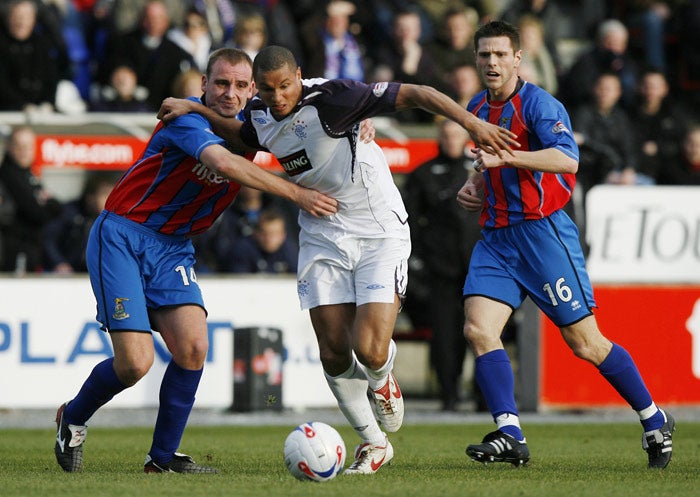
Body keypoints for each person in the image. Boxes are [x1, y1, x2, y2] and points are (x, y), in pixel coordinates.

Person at [159, 44, 518, 474]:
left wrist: (473, 123)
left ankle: (382, 381)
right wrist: (191, 108)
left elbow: (420, 93)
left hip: (376, 227)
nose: (279, 98)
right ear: (259, 87)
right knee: (331, 348)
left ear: (300, 75)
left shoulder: (336, 97)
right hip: (321, 229)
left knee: (369, 349)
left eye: (286, 86)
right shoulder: (258, 111)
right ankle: (374, 443)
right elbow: (242, 134)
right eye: (269, 90)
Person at [53, 47, 338, 474]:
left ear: (253, 90)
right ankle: (71, 418)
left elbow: (319, 107)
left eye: (242, 85)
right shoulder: (186, 121)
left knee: (193, 347)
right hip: (124, 235)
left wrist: (359, 122)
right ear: (203, 85)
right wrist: (299, 194)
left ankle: (162, 459)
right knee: (135, 363)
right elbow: (222, 161)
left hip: (173, 246)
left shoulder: (257, 125)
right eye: (221, 83)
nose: (230, 93)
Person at [457, 20, 674, 470]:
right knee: (479, 329)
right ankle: (510, 433)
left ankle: (654, 419)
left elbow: (567, 158)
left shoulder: (539, 103)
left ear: (518, 58)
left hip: (542, 234)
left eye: (500, 54)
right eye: (484, 55)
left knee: (586, 343)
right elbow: (484, 162)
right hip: (497, 237)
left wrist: (508, 156)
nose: (492, 62)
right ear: (476, 59)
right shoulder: (476, 105)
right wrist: (474, 182)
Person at [401, 119, 481, 412]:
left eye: (456, 135)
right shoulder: (423, 174)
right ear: (439, 137)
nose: (451, 140)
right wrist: (418, 263)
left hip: (477, 268)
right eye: (446, 135)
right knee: (446, 337)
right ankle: (450, 396)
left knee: (483, 332)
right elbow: (408, 221)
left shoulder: (479, 170)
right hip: (441, 271)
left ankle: (485, 398)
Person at [0, 126, 62, 274]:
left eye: (28, 146)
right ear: (9, 147)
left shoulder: (28, 175)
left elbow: (56, 207)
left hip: (29, 247)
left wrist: (47, 206)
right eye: (19, 146)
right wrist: (45, 206)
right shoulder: (9, 174)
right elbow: (36, 213)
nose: (24, 151)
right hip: (13, 248)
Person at [43, 173, 116, 273]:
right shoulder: (70, 212)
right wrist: (59, 262)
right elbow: (49, 239)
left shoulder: (113, 221)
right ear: (90, 198)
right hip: (65, 274)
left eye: (113, 195)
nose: (109, 200)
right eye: (105, 194)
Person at [0, 0, 63, 112]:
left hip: (40, 109)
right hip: (8, 110)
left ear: (33, 20)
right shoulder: (2, 46)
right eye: (17, 16)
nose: (21, 22)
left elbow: (51, 79)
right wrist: (22, 106)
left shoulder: (41, 45)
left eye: (26, 17)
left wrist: (47, 103)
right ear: (9, 19)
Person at [221, 207, 298, 274]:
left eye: (275, 234)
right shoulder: (241, 250)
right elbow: (238, 283)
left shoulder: (290, 250)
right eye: (265, 233)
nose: (269, 239)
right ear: (255, 233)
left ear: (283, 235)